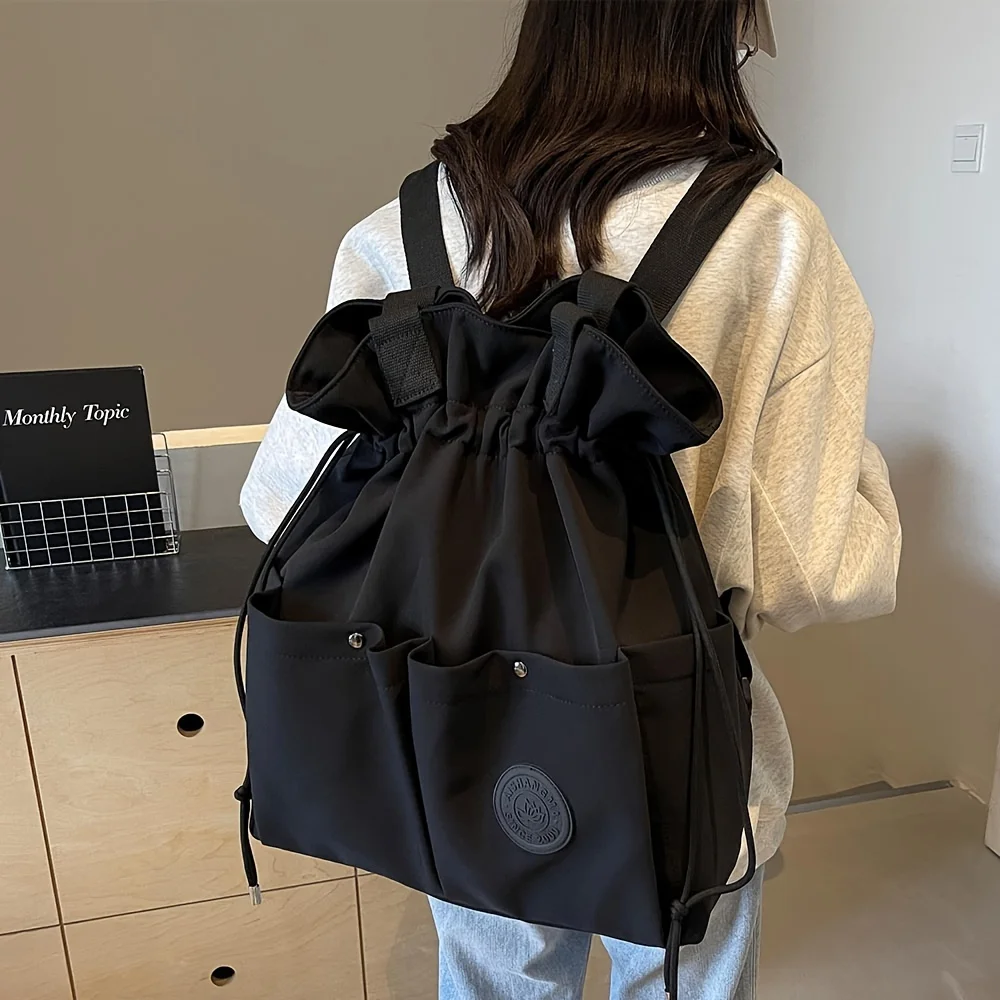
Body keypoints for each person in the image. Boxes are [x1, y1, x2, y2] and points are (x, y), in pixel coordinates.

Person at [240, 1, 901, 997]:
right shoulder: (770, 234)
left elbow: (280, 502)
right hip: (673, 741)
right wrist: (866, 488)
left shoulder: (404, 226)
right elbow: (810, 567)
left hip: (456, 718)